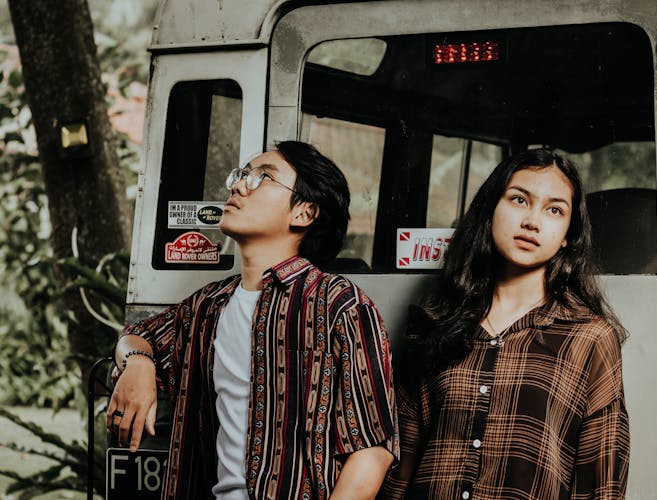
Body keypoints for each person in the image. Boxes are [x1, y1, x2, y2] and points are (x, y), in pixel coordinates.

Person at [107, 141, 398, 499]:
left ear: (304, 213)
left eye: (263, 177)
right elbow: (138, 335)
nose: (239, 184)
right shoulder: (208, 305)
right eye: (242, 174)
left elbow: (371, 449)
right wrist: (138, 365)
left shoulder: (340, 304)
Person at [381, 148, 629, 499]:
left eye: (554, 210)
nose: (532, 221)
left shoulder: (589, 338)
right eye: (518, 200)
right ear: (490, 211)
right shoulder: (437, 321)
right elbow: (401, 464)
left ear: (567, 236)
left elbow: (600, 484)